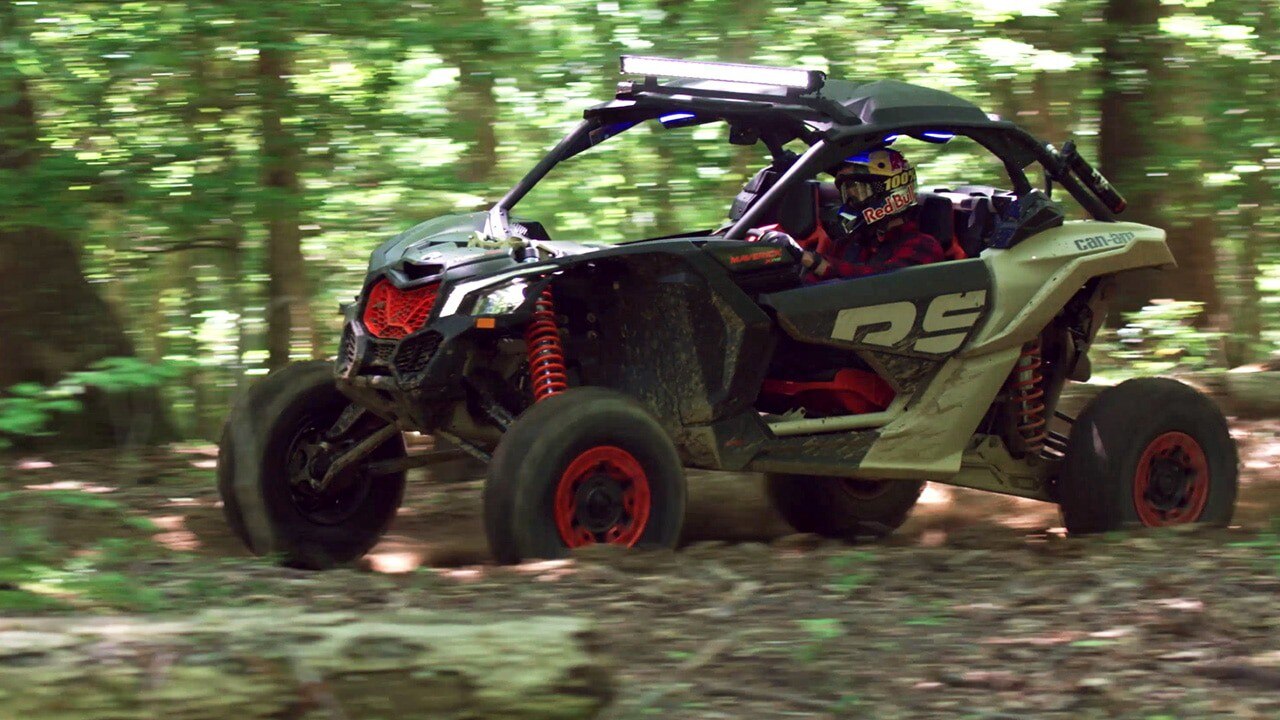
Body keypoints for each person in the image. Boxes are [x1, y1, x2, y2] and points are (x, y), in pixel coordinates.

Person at [756, 148, 945, 279]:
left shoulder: (923, 246)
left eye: (859, 190)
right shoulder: (852, 241)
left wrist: (813, 261)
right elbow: (810, 284)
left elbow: (882, 282)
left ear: (890, 189)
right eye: (847, 192)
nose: (851, 199)